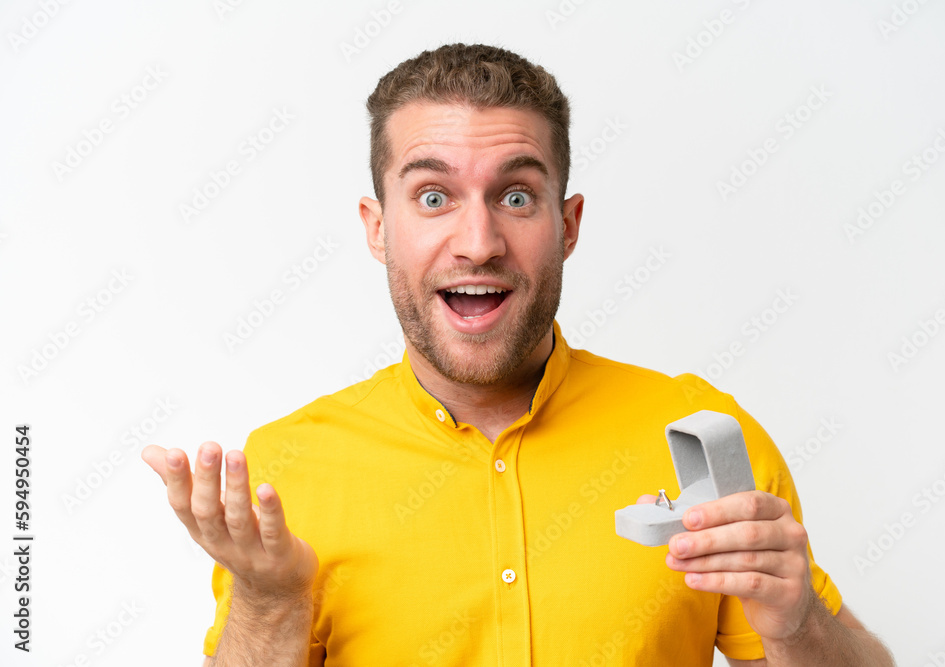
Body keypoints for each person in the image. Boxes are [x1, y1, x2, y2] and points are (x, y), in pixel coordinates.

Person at [142, 43, 895, 666]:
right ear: (378, 228)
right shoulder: (286, 473)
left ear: (568, 225)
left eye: (516, 196)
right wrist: (271, 606)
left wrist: (796, 626)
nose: (478, 243)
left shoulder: (698, 436)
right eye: (433, 196)